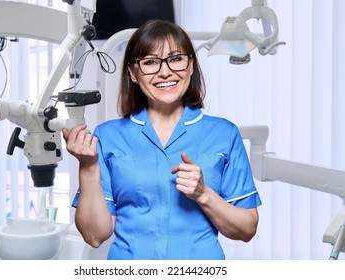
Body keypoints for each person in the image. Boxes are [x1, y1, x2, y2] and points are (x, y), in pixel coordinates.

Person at [62, 19, 262, 260]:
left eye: (176, 59)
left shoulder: (224, 134)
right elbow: (94, 236)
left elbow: (246, 229)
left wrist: (203, 194)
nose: (165, 71)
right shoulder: (108, 136)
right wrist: (88, 166)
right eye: (150, 62)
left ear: (190, 66)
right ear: (133, 73)